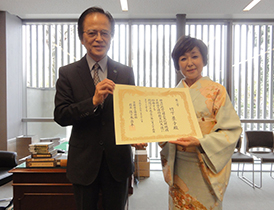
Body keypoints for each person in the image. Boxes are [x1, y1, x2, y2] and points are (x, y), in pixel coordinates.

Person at [54, 6, 145, 210]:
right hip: (84, 163)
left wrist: (138, 133)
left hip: (118, 161)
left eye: (105, 33)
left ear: (111, 36)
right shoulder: (68, 73)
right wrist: (92, 101)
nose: (99, 38)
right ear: (82, 37)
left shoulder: (125, 72)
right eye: (92, 32)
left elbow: (131, 113)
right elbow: (61, 115)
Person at [159, 35, 242, 210]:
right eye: (183, 58)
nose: (189, 63)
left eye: (194, 56)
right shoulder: (171, 95)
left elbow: (231, 130)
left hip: (206, 164)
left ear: (203, 59)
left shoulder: (217, 91)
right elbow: (163, 131)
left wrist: (200, 141)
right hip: (179, 164)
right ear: (177, 65)